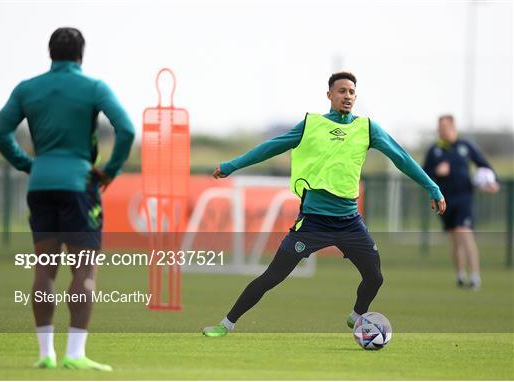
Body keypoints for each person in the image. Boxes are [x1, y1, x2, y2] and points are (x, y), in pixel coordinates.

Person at [202, 71, 446, 337]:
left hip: (349, 222)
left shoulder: (366, 128)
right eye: (341, 91)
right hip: (313, 221)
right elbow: (272, 146)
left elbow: (401, 157)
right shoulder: (312, 124)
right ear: (329, 95)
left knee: (375, 277)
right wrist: (231, 165)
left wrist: (431, 186)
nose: (347, 96)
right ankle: (226, 324)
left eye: (352, 92)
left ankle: (356, 316)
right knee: (273, 277)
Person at [0, 27, 135, 370]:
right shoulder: (93, 87)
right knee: (83, 270)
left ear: (49, 53)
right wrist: (109, 170)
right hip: (79, 183)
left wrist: (27, 163)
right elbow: (126, 129)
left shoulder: (28, 88)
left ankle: (45, 354)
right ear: (81, 55)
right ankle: (75, 352)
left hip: (40, 185)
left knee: (44, 269)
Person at [423, 115, 499, 290]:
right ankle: (460, 275)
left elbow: (484, 165)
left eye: (444, 128)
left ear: (452, 127)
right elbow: (423, 172)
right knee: (455, 237)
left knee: (464, 232)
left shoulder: (465, 146)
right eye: (439, 128)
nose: (441, 131)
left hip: (464, 198)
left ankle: (475, 277)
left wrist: (493, 183)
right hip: (444, 201)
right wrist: (436, 171)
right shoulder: (434, 150)